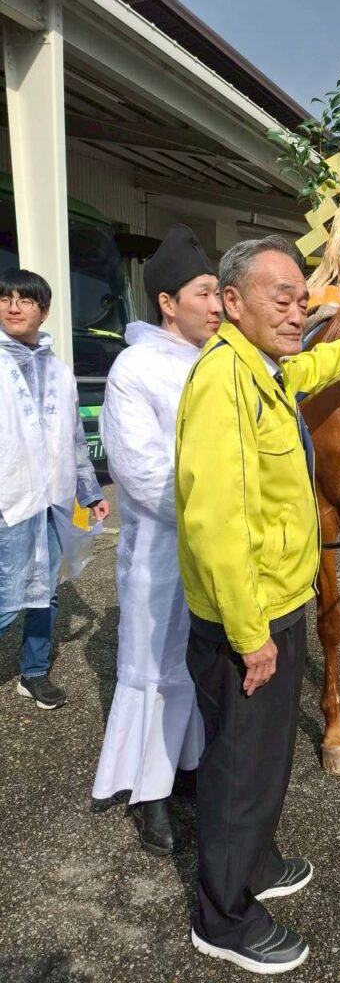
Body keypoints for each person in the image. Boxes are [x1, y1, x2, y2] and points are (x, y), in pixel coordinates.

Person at [175, 236, 340, 974]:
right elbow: (215, 520)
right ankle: (222, 916)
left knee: (266, 759)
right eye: (281, 297)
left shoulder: (267, 370)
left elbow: (310, 365)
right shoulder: (222, 381)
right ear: (232, 302)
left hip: (281, 603)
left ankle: (254, 860)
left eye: (303, 299)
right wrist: (249, 632)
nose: (297, 312)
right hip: (248, 620)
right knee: (238, 766)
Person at [92, 226, 221, 855]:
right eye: (204, 293)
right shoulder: (135, 366)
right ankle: (150, 794)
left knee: (194, 665)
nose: (218, 304)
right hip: (161, 555)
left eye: (220, 292)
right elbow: (140, 476)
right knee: (153, 666)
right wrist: (221, 514)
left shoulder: (215, 362)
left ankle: (186, 762)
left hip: (211, 552)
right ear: (167, 303)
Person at [0, 268, 108, 709]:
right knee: (7, 595)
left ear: (43, 311)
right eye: (5, 298)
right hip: (9, 500)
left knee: (45, 592)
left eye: (24, 300)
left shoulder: (60, 371)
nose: (12, 306)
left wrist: (91, 492)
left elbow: (74, 439)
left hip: (52, 501)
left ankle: (34, 672)